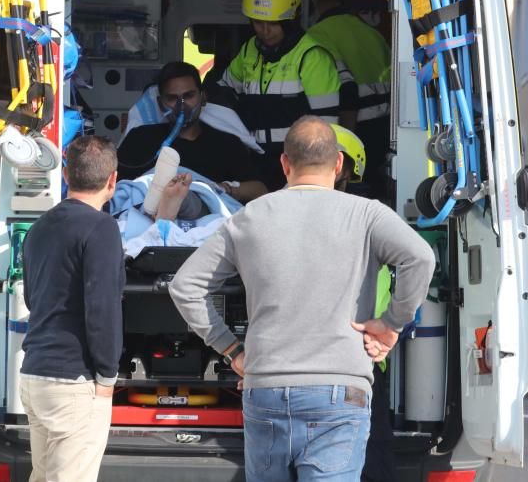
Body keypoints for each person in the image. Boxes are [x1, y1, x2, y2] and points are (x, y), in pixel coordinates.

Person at [169, 116, 435, 481]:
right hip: (341, 392)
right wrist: (391, 324)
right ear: (339, 163)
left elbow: (185, 286)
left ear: (284, 163)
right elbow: (420, 258)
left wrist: (231, 349)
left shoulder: (249, 218)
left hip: (266, 389)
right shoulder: (367, 215)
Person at [19, 136, 124, 482]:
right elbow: (102, 308)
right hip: (73, 381)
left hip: (35, 374)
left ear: (66, 175)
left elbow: (33, 299)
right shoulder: (102, 228)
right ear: (112, 180)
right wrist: (108, 376)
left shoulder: (38, 228)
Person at [215, 0, 358, 189]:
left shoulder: (312, 57)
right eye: (257, 22)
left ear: (292, 19)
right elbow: (223, 90)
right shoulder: (249, 50)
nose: (264, 31)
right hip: (255, 162)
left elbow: (326, 130)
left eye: (273, 23)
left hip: (296, 164)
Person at [332, 124, 398, 482]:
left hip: (294, 367)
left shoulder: (269, 213)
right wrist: (393, 326)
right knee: (372, 458)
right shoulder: (372, 220)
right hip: (363, 359)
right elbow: (415, 264)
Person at [118, 61, 267, 202]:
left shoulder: (226, 143)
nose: (181, 106)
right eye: (172, 98)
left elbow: (260, 190)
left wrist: (225, 189)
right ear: (160, 103)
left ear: (203, 98)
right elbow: (115, 188)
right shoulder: (140, 139)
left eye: (188, 96)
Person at [307, 0, 392, 195]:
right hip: (382, 143)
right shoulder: (372, 35)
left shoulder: (315, 37)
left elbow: (348, 97)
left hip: (348, 142)